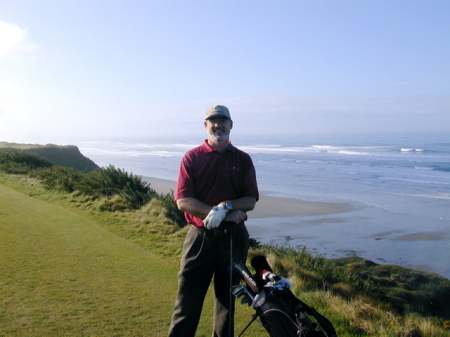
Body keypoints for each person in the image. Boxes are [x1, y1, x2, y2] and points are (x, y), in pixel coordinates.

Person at [168, 105, 259, 337]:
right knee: (187, 300)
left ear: (231, 125)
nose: (218, 125)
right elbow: (183, 201)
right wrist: (219, 214)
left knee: (227, 301)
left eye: (223, 120)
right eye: (213, 120)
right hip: (201, 237)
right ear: (206, 125)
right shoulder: (192, 158)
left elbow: (250, 199)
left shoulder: (243, 159)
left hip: (233, 239)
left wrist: (226, 206)